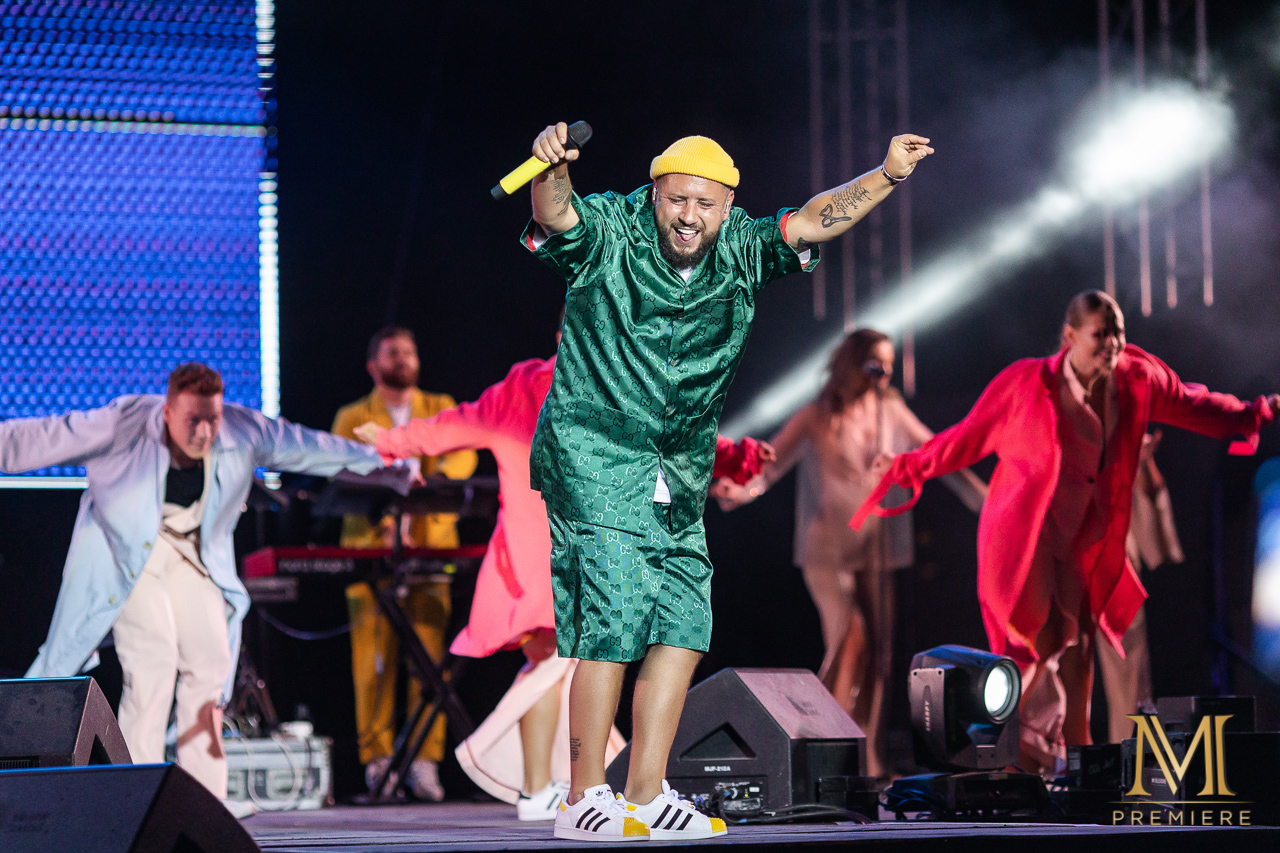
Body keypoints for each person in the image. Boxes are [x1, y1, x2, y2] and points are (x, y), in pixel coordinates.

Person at [521, 120, 933, 840]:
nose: (689, 216)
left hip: (677, 469)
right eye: (677, 200)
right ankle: (582, 797)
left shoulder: (741, 247)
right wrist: (549, 168)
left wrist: (888, 174)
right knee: (613, 615)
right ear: (655, 194)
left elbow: (814, 219)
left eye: (705, 204)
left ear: (727, 205)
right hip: (594, 454)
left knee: (684, 622)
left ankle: (644, 793)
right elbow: (557, 216)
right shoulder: (612, 231)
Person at [355, 322, 774, 822]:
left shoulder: (607, 379)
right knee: (553, 662)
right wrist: (392, 440)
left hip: (567, 551)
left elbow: (679, 437)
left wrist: (739, 459)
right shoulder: (554, 384)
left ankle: (542, 787)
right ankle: (540, 784)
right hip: (556, 553)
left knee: (553, 665)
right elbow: (456, 424)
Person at [850, 291, 1279, 776]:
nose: (1113, 344)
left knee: (1076, 649)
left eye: (1118, 333)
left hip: (1083, 539)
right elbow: (967, 437)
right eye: (1101, 334)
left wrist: (1251, 414)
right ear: (1070, 337)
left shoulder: (1136, 377)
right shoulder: (1026, 383)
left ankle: (1080, 758)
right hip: (1026, 534)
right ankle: (993, 755)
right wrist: (907, 465)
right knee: (1028, 643)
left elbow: (1190, 402)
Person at [2, 363, 383, 809]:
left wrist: (385, 462)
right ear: (167, 413)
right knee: (153, 662)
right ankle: (136, 798)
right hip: (129, 556)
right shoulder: (124, 423)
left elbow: (308, 447)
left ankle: (205, 804)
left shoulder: (240, 429)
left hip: (193, 554)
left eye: (211, 419)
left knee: (210, 666)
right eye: (192, 420)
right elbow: (42, 436)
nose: (204, 432)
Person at [713, 328, 985, 778]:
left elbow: (935, 454)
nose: (883, 375)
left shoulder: (890, 411)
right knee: (849, 637)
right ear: (852, 365)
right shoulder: (816, 415)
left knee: (879, 653)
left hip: (874, 548)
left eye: (889, 366)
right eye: (875, 364)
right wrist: (738, 492)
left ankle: (865, 756)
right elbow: (771, 465)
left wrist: (984, 499)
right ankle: (820, 746)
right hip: (826, 549)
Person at [331, 326, 478, 801]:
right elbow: (341, 465)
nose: (404, 358)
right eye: (393, 352)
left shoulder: (439, 406)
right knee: (372, 662)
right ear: (373, 365)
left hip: (431, 547)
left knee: (429, 659)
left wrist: (432, 481)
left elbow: (464, 453)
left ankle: (424, 761)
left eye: (410, 351)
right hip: (372, 550)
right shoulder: (353, 416)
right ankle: (378, 761)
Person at [1097, 429, 1183, 743]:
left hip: (1117, 576)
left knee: (1130, 681)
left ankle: (1129, 758)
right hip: (1074, 566)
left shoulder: (1121, 456)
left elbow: (1151, 512)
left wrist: (1143, 460)